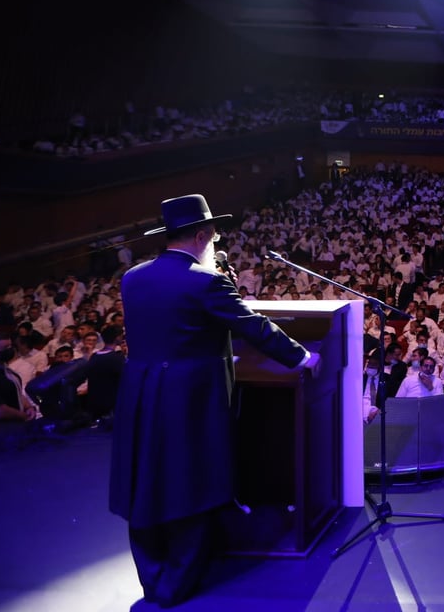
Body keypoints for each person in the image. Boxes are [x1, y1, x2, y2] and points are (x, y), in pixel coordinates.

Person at [109, 194, 320, 607]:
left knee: (147, 483)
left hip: (140, 394)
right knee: (192, 482)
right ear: (204, 234)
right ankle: (176, 586)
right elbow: (253, 326)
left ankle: (153, 580)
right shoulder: (206, 281)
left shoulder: (132, 278)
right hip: (189, 401)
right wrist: (302, 356)